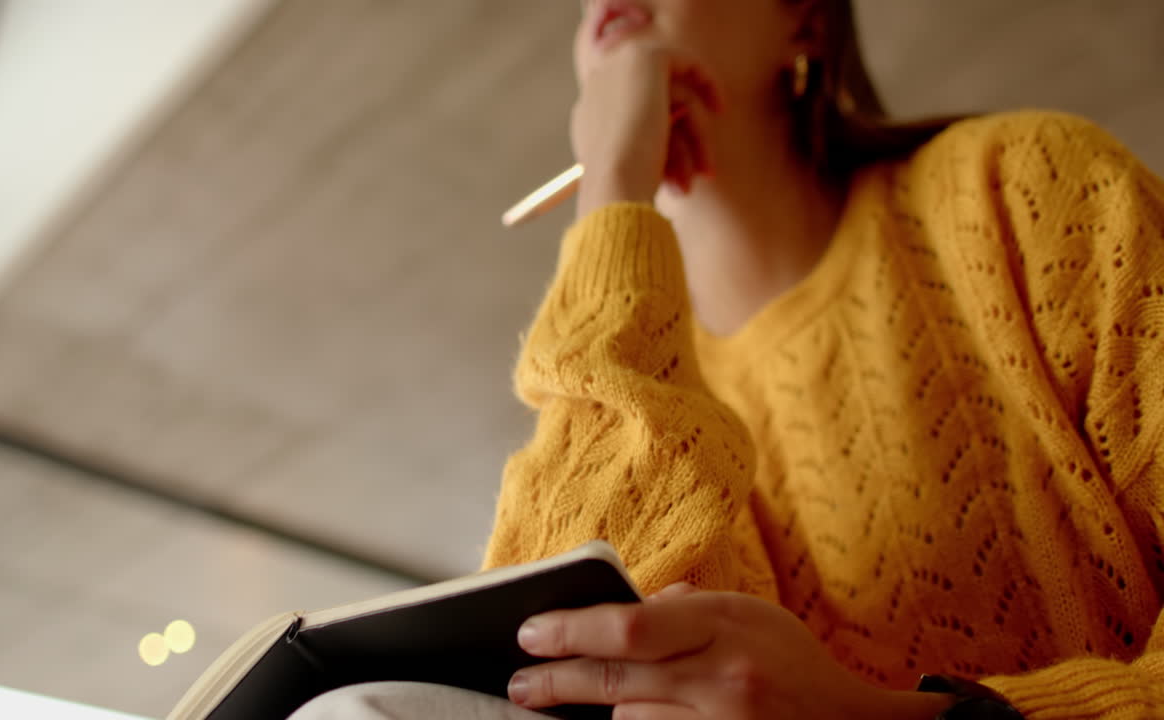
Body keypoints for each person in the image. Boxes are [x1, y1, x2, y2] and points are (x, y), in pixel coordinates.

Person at [295, 0, 1164, 718]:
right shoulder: (647, 388)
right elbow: (536, 682)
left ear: (804, 22)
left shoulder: (1026, 189)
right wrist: (611, 198)